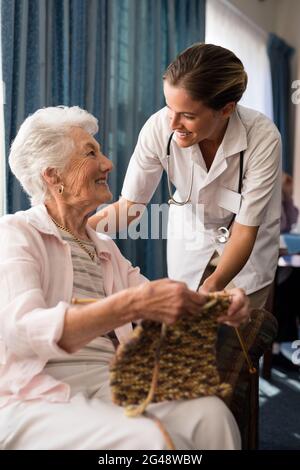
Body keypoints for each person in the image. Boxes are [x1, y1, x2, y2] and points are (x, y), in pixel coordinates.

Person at [0, 106, 250, 450]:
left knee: (211, 416)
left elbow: (153, 296)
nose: (107, 164)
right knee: (148, 441)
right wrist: (130, 305)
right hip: (36, 387)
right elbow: (21, 330)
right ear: (52, 176)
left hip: (109, 376)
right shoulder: (17, 232)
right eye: (91, 152)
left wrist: (216, 304)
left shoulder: (102, 245)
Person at [89, 43, 282, 310]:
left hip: (247, 251)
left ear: (226, 110)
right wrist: (76, 230)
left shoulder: (262, 137)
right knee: (187, 343)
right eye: (169, 107)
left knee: (232, 343)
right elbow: (129, 207)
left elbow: (245, 230)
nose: (172, 123)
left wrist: (212, 286)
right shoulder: (158, 129)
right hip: (193, 240)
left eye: (188, 115)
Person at [272, 172, 300, 370]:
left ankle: (284, 344)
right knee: (291, 288)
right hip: (270, 264)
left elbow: (292, 222)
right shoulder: (271, 206)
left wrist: (288, 198)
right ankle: (277, 349)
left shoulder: (284, 203)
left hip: (282, 263)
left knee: (295, 280)